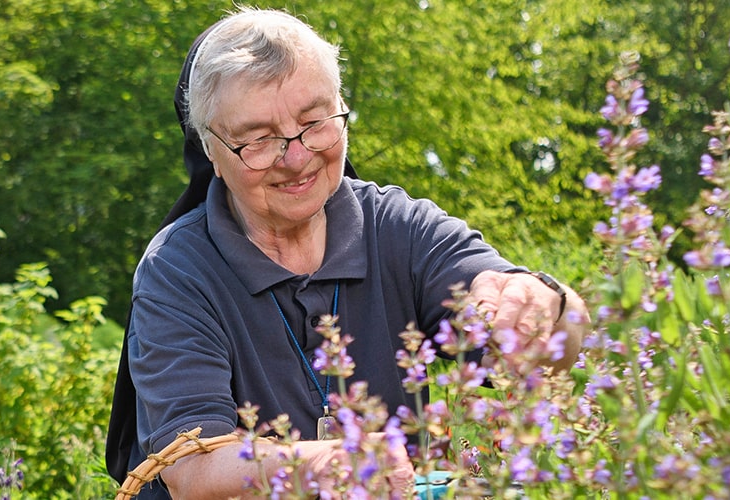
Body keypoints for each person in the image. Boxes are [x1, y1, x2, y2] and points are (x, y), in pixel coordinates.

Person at [105, 8, 591, 499]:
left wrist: (544, 305)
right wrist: (332, 461)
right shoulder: (178, 269)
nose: (296, 158)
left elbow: (563, 345)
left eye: (315, 122)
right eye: (258, 139)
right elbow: (193, 471)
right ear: (211, 148)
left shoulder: (400, 226)